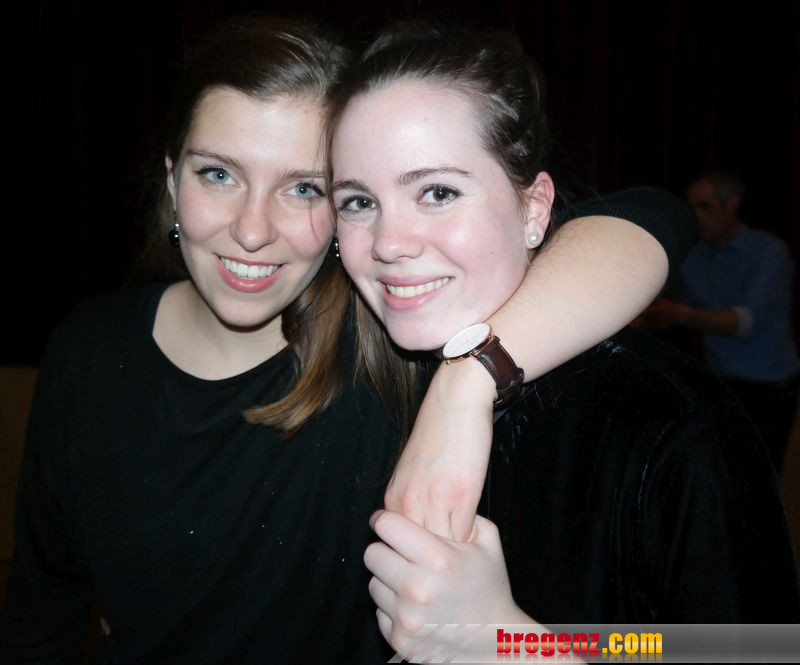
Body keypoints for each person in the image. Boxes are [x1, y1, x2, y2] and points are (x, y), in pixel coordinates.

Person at [2, 15, 693, 665]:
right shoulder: (88, 351)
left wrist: (470, 375)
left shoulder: (388, 346)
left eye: (304, 189)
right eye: (218, 173)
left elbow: (652, 218)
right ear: (171, 180)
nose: (251, 230)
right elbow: (43, 608)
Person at [326, 22, 800, 659]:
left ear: (534, 209)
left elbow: (734, 648)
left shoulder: (666, 424)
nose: (388, 243)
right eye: (358, 202)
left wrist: (510, 644)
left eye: (437, 192)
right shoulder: (348, 378)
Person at [642, 170, 800, 473]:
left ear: (732, 205)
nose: (697, 217)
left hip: (769, 386)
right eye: (692, 208)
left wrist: (677, 314)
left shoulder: (768, 252)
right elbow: (669, 308)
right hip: (721, 381)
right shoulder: (695, 256)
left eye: (705, 207)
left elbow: (743, 323)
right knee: (725, 474)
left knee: (762, 475)